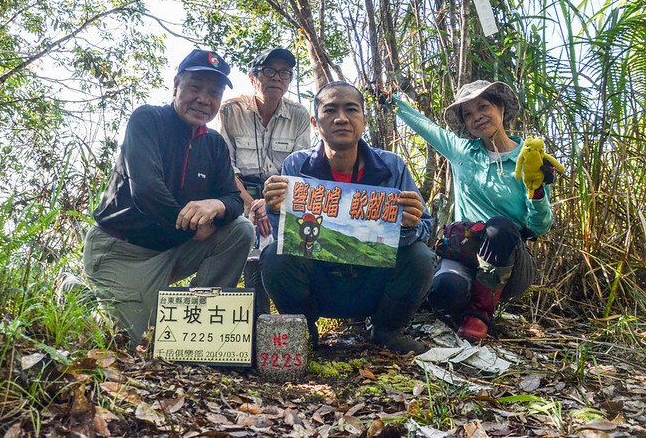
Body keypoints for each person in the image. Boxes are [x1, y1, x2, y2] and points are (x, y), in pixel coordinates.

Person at [84, 49, 254, 348]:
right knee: (134, 344)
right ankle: (79, 295)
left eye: (213, 93)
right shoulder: (147, 120)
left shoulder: (214, 144)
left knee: (240, 229)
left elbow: (234, 198)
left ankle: (200, 330)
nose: (203, 99)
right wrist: (195, 226)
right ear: (176, 85)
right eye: (195, 88)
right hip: (123, 250)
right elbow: (148, 191)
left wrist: (218, 205)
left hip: (173, 249)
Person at [260, 81, 435, 355]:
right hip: (321, 281)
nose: (341, 118)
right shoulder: (296, 166)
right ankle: (304, 330)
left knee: (421, 257)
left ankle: (387, 330)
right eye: (330, 110)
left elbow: (425, 226)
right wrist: (274, 208)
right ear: (315, 123)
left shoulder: (392, 167)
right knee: (273, 255)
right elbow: (288, 237)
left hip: (373, 283)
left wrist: (410, 223)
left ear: (363, 120)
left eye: (351, 109)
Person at [390, 80, 554, 342]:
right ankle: (464, 303)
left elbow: (540, 227)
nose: (477, 116)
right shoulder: (462, 152)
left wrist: (537, 192)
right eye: (468, 114)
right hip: (465, 250)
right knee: (444, 291)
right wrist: (391, 101)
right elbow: (425, 126)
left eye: (483, 106)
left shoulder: (528, 158)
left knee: (498, 226)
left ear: (500, 107)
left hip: (510, 259)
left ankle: (480, 313)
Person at [218, 47, 311, 316]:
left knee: (292, 243)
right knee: (247, 243)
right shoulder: (230, 111)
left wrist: (269, 203)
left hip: (282, 194)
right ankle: (253, 320)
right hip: (239, 192)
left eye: (284, 73)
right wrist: (250, 204)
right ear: (253, 77)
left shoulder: (299, 115)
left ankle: (294, 319)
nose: (276, 78)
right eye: (269, 71)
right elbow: (226, 168)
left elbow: (298, 170)